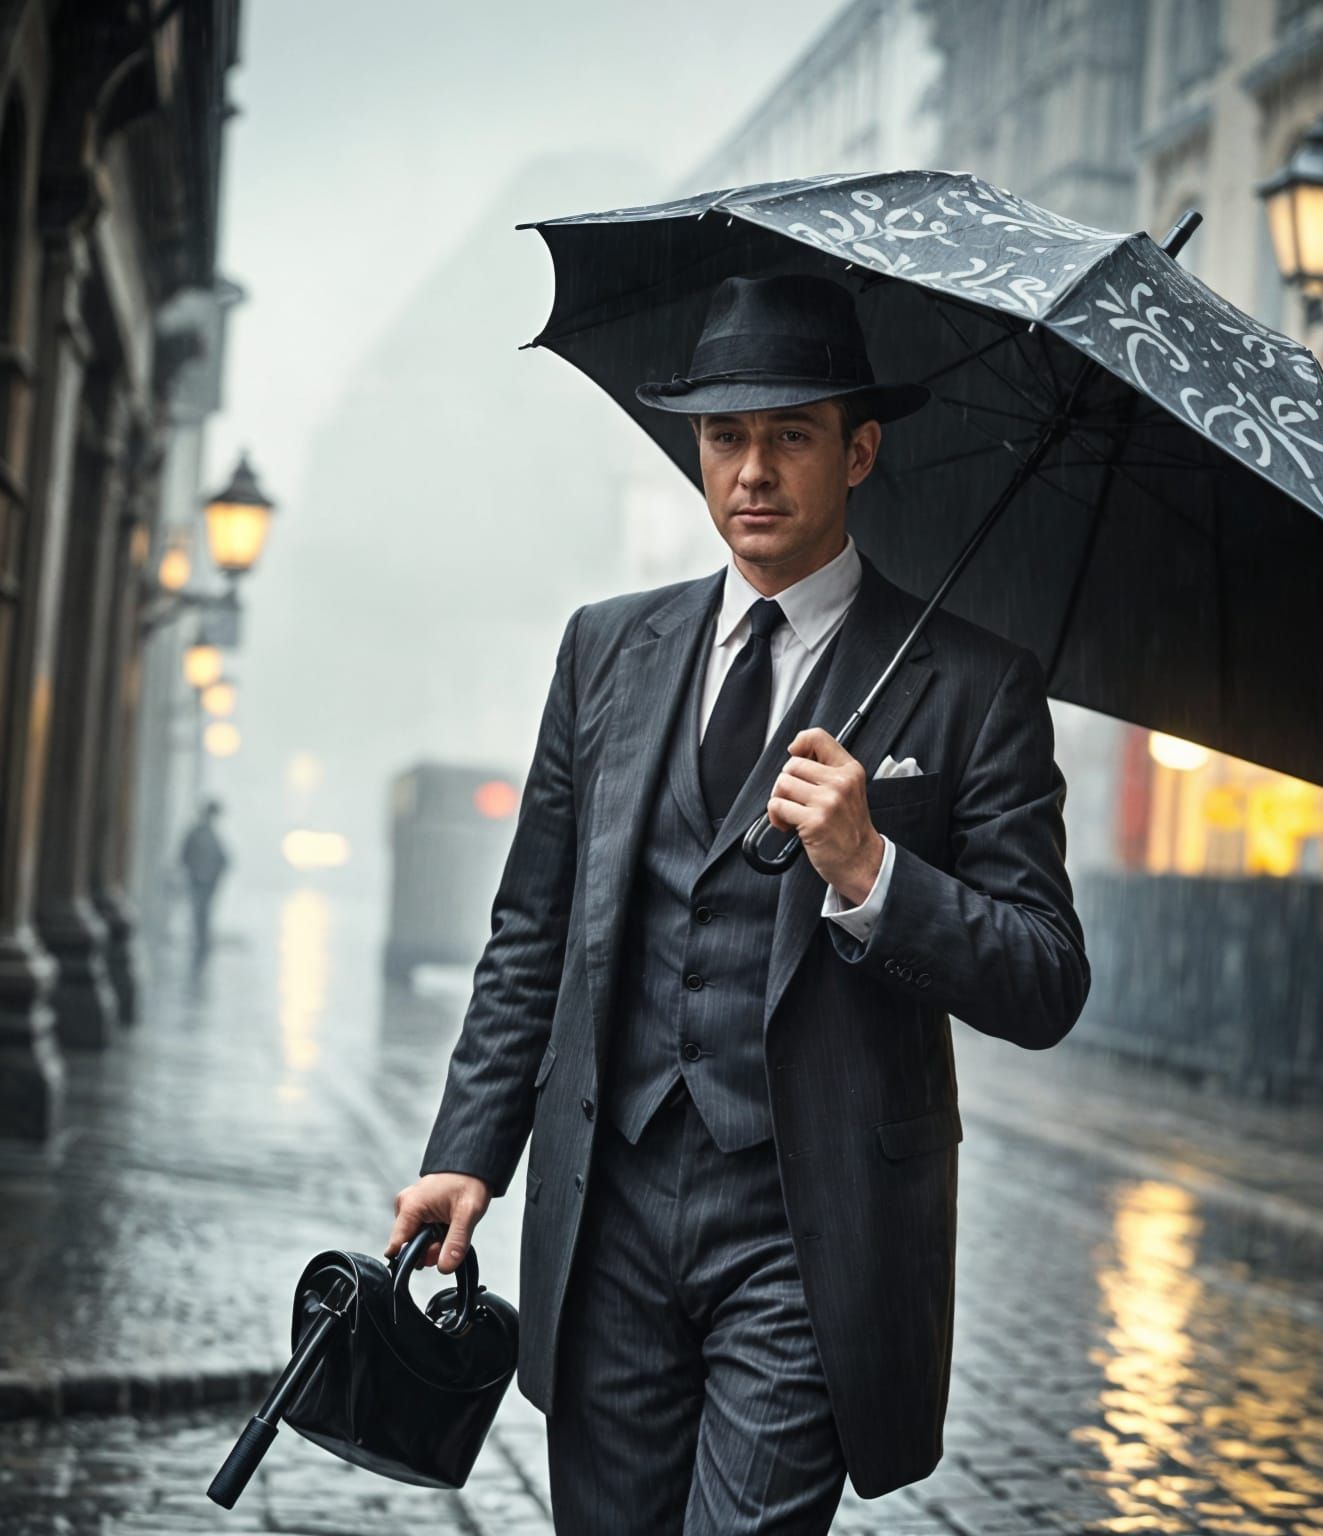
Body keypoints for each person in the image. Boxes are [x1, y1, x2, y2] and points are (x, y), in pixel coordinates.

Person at [387, 274, 1089, 1534]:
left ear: (861, 449)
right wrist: (465, 1151)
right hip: (608, 1209)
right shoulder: (607, 649)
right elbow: (534, 931)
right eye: (725, 437)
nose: (751, 472)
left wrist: (875, 873)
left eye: (791, 434)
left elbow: (1044, 977)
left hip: (810, 1236)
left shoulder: (973, 687)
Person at [179, 798, 229, 972]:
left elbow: (224, 859)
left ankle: (202, 938)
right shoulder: (197, 834)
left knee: (204, 910)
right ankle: (200, 939)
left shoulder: (211, 835)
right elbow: (184, 855)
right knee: (199, 909)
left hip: (207, 881)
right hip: (198, 880)